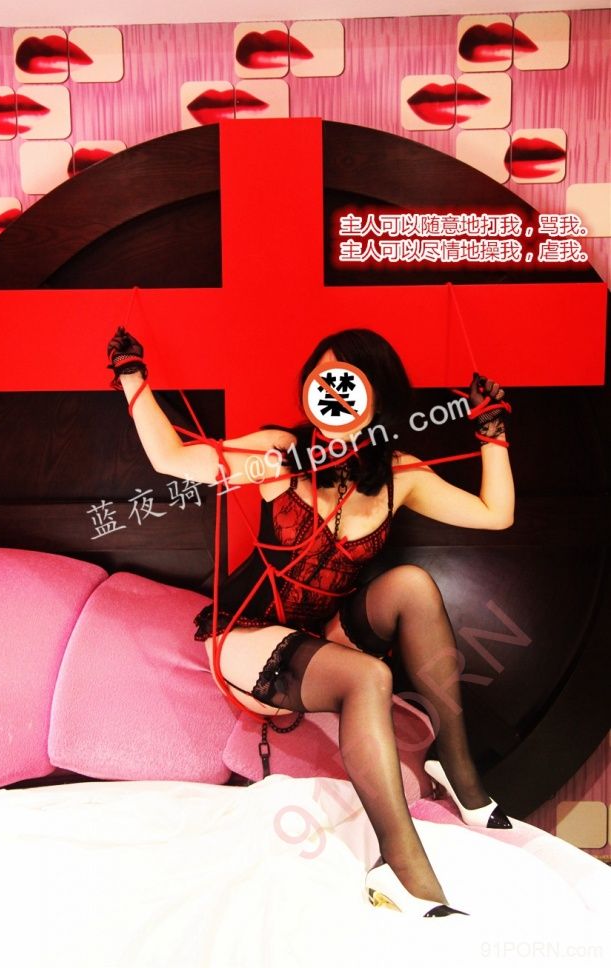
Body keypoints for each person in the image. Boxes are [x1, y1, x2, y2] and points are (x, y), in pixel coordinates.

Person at [106, 325, 514, 918]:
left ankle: (458, 770)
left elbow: (495, 514)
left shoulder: (398, 473)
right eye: (323, 380)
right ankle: (403, 870)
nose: (334, 394)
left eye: (349, 383)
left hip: (319, 633)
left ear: (378, 396)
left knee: (413, 586)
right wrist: (132, 376)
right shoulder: (281, 453)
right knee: (370, 677)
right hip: (246, 636)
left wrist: (491, 430)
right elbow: (172, 458)